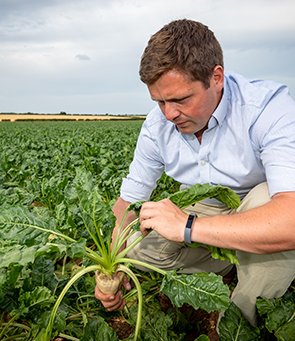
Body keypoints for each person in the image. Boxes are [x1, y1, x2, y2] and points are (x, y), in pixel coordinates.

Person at [95, 19, 295, 333]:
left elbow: (291, 218)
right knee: (134, 244)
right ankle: (229, 259)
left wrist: (188, 227)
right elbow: (128, 202)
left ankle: (235, 324)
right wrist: (114, 267)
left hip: (260, 211)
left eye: (180, 99)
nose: (168, 114)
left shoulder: (268, 109)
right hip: (207, 208)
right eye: (159, 101)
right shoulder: (157, 126)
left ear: (216, 78)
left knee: (270, 200)